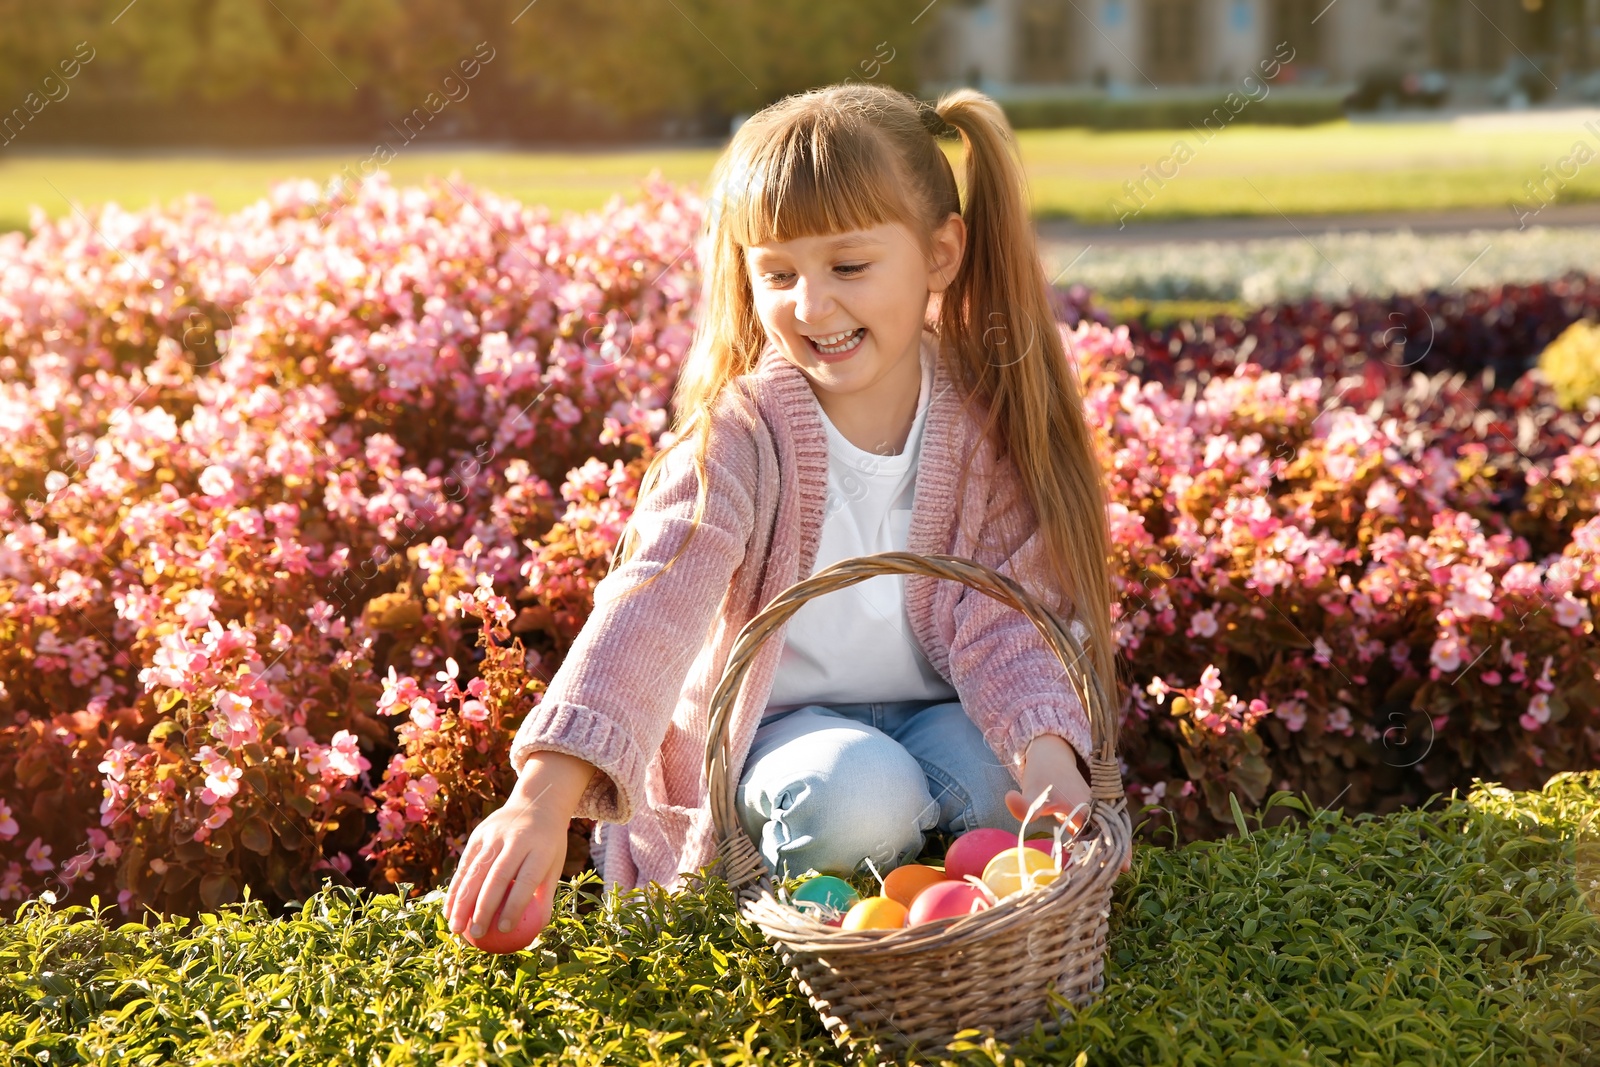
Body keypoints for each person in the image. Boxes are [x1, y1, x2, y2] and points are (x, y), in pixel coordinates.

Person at [445, 82, 1127, 949]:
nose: (811, 305)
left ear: (942, 253)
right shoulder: (742, 436)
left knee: (1008, 785)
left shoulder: (981, 424)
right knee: (856, 798)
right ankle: (829, 871)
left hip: (935, 716)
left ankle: (909, 887)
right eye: (778, 273)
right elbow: (652, 606)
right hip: (779, 736)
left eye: (848, 267)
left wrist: (1055, 768)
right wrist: (540, 801)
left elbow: (1004, 624)